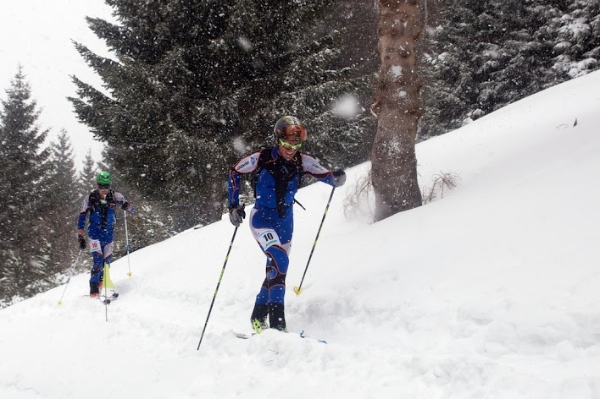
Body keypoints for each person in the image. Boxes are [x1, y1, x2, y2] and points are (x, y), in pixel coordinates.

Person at [227, 115, 346, 333]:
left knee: (276, 269)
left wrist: (336, 177)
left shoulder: (302, 160)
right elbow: (235, 172)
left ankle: (257, 318)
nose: (291, 149)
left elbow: (326, 175)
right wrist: (233, 206)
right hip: (262, 220)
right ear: (277, 139)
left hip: (285, 224)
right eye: (287, 143)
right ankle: (278, 327)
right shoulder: (262, 157)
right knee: (280, 260)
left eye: (296, 144)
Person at [77, 171, 134, 298]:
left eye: (107, 186)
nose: (104, 189)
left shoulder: (115, 196)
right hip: (94, 233)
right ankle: (94, 289)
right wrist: (80, 236)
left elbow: (132, 209)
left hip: (108, 234)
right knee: (98, 262)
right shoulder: (90, 197)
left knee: (107, 262)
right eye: (101, 186)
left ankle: (103, 285)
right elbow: (82, 216)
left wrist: (127, 206)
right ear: (97, 185)